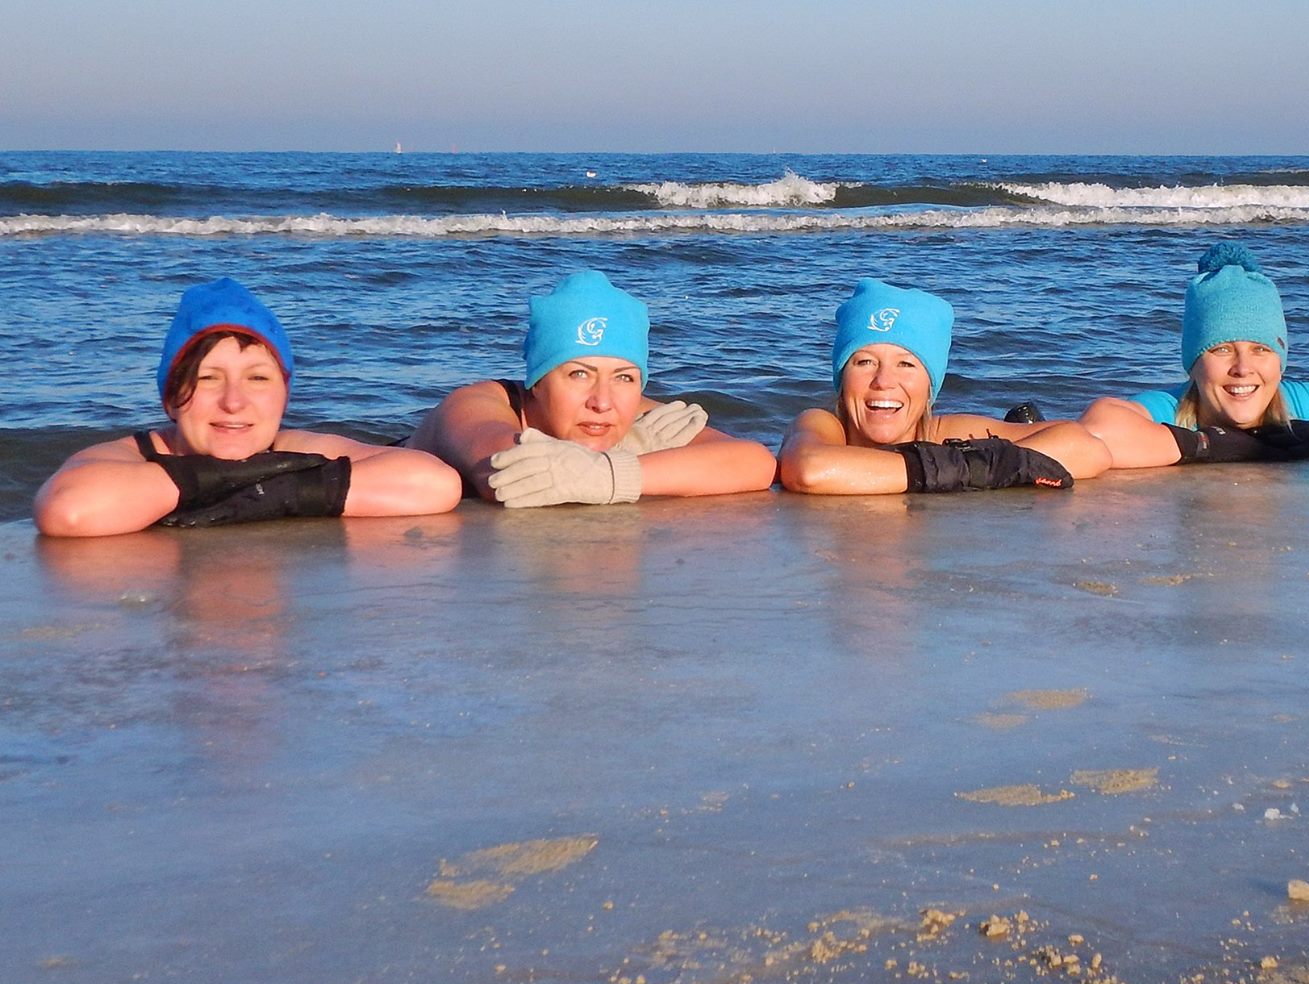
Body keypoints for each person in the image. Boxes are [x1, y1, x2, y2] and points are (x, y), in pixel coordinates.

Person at [35, 278, 462, 536]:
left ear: (283, 396)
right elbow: (69, 511)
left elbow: (433, 483)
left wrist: (271, 493)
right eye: (209, 378)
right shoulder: (129, 457)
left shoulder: (292, 447)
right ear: (170, 396)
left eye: (258, 379)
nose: (234, 402)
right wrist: (230, 483)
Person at [408, 269, 777, 505]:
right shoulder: (473, 405)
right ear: (537, 382)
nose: (602, 402)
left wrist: (611, 473)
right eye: (579, 374)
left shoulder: (631, 415)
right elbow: (509, 473)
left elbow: (754, 463)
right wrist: (641, 459)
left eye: (624, 377)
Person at [1079, 243, 1309, 468]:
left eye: (1261, 349)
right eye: (1222, 349)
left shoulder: (1298, 403)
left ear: (1280, 361)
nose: (1243, 368)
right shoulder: (1171, 409)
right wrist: (1212, 445)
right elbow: (1103, 425)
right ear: (1194, 363)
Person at [777, 278, 1109, 495]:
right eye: (864, 362)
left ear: (930, 384)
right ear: (842, 376)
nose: (883, 381)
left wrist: (978, 465)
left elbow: (1086, 447)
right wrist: (961, 469)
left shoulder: (942, 433)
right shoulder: (823, 424)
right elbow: (809, 469)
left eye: (906, 364)